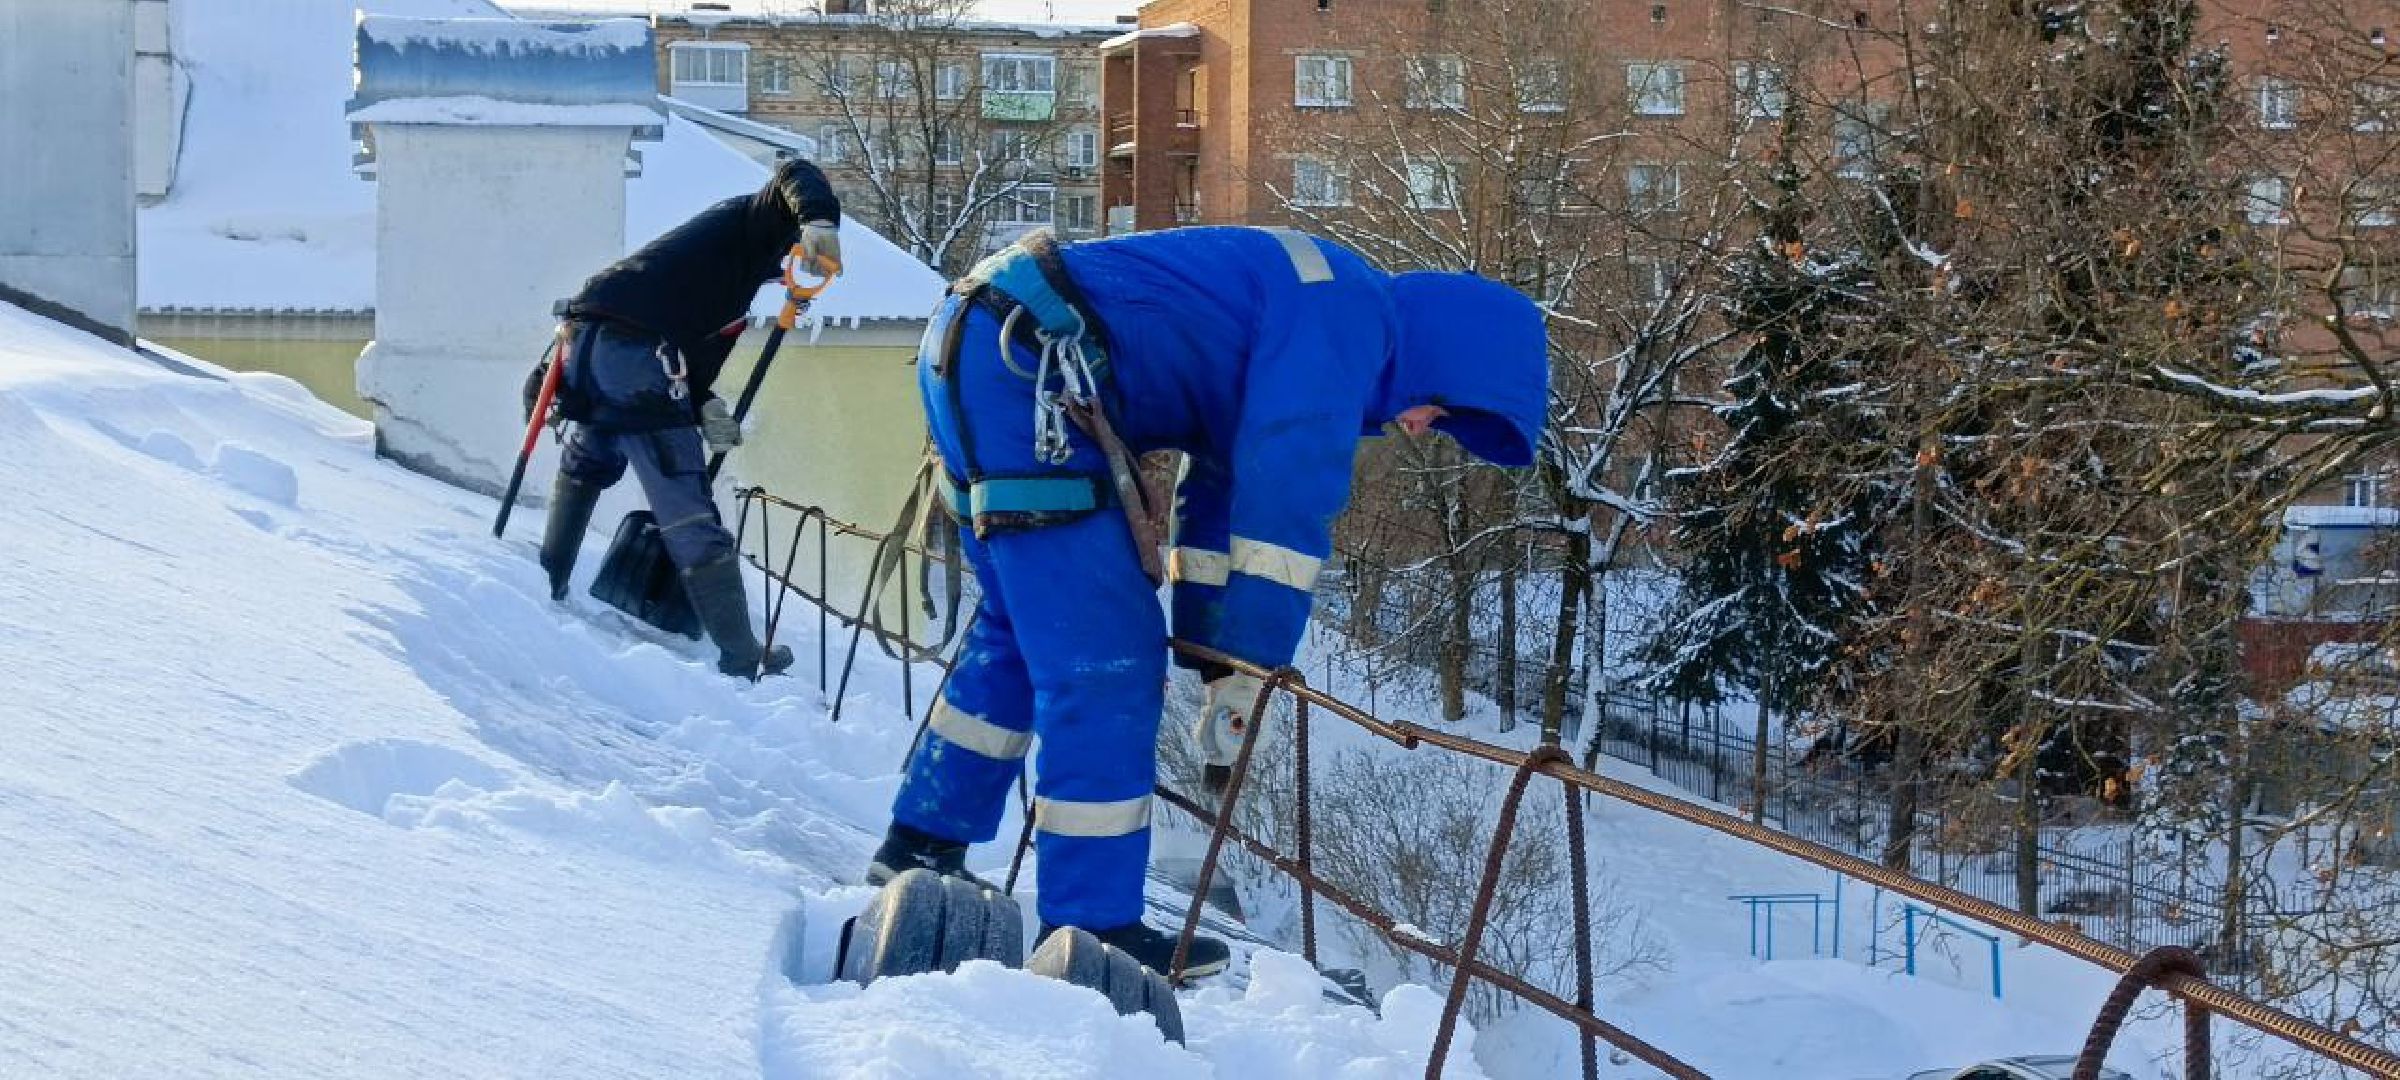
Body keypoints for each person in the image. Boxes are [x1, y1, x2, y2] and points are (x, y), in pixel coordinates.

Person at [865, 225, 1550, 977]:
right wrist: (1253, 670)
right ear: (1447, 353)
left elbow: (1219, 495)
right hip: (1034, 372)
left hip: (984, 348)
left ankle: (922, 844)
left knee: (1021, 635)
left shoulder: (1320, 304)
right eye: (1443, 409)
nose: (1422, 427)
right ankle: (1091, 932)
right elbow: (1285, 504)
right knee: (1109, 664)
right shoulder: (1345, 320)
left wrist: (1209, 655)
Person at [535, 156, 841, 679]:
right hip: (634, 355)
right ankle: (742, 654)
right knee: (685, 506)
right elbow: (796, 170)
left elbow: (687, 360)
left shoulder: (709, 275)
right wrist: (819, 219)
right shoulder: (751, 221)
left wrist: (702, 407)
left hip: (585, 343)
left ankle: (547, 587)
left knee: (589, 457)